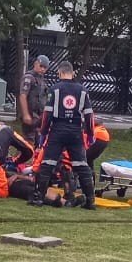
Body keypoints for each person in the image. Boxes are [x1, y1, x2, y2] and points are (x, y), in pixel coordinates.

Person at [33, 61, 96, 209]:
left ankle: (39, 199)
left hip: (58, 130)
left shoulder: (54, 90)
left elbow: (47, 114)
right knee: (81, 165)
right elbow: (89, 115)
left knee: (48, 163)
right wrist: (90, 133)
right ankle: (90, 201)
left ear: (60, 73)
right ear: (72, 73)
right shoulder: (82, 91)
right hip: (75, 131)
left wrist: (43, 133)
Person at [19, 55, 51, 139]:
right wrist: (25, 115)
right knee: (29, 141)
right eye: (41, 66)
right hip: (30, 115)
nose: (43, 69)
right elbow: (23, 96)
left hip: (39, 117)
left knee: (38, 141)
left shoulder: (42, 80)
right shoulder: (29, 77)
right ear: (35, 64)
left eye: (45, 67)